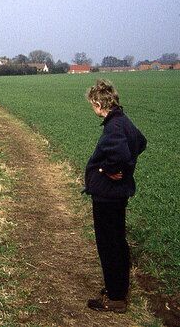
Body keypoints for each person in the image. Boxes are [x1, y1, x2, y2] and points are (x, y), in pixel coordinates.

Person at [83, 79, 147, 313]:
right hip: (116, 195)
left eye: (93, 104)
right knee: (117, 242)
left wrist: (109, 170)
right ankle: (116, 289)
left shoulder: (114, 126)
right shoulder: (123, 120)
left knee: (109, 244)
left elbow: (119, 153)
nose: (93, 108)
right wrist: (125, 165)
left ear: (100, 104)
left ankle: (116, 297)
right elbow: (141, 142)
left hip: (108, 196)